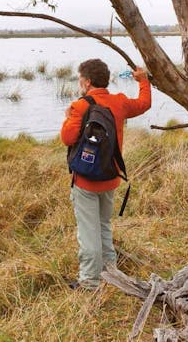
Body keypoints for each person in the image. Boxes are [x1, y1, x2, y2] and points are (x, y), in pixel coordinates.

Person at [61, 58, 151, 290]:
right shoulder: (119, 102)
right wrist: (143, 81)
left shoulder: (79, 106)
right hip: (111, 178)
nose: (79, 82)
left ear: (87, 82)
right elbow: (144, 104)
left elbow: (67, 139)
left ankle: (90, 283)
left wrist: (68, 116)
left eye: (80, 79)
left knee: (88, 233)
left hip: (85, 181)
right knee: (103, 225)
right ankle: (111, 272)